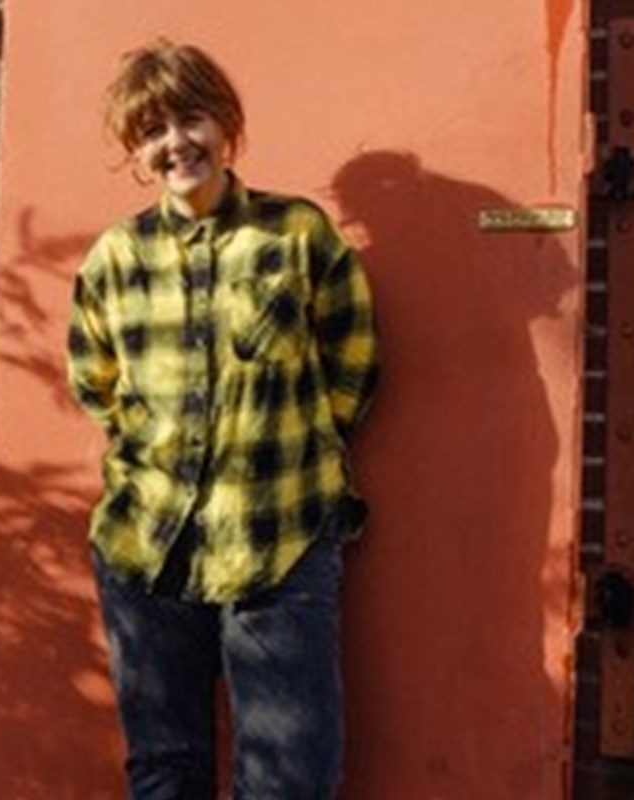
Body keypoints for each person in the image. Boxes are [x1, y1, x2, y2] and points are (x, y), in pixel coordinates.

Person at [65, 39, 380, 800]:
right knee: (164, 770)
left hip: (279, 535)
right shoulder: (113, 259)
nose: (175, 142)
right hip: (148, 546)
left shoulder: (296, 236)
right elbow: (94, 382)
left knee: (289, 776)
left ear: (225, 124)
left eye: (190, 118)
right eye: (152, 131)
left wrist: (294, 452)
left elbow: (354, 363)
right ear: (136, 151)